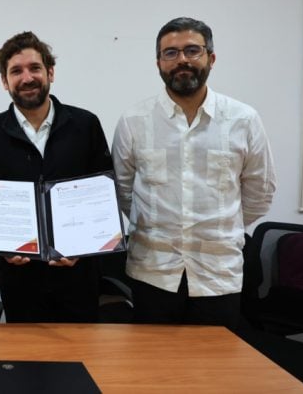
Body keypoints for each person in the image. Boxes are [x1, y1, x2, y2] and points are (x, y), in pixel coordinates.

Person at [112, 17, 276, 327]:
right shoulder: (134, 121)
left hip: (218, 274)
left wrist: (220, 228)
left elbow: (260, 193)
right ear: (159, 63)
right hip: (153, 273)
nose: (182, 60)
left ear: (211, 58)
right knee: (153, 356)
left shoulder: (243, 120)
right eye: (170, 53)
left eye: (192, 50)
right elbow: (122, 190)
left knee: (214, 358)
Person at [0, 31, 112, 323]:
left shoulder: (85, 125)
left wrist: (83, 248)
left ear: (50, 72)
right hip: (19, 280)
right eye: (16, 71)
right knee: (26, 352)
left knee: (81, 350)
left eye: (35, 68)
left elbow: (103, 194)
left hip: (78, 276)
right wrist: (2, 247)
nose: (27, 78)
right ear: (5, 81)